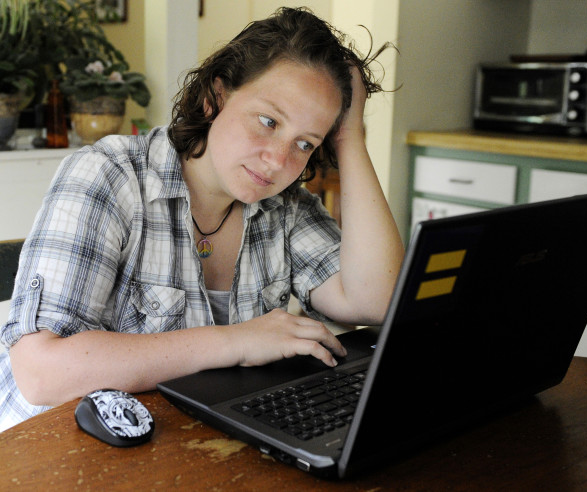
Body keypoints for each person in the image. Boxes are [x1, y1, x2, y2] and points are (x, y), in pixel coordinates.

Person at [0, 7, 404, 431]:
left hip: (176, 444)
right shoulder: (109, 175)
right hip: (46, 450)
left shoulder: (286, 207)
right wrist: (236, 342)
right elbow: (40, 372)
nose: (278, 160)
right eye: (268, 121)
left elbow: (375, 300)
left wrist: (350, 138)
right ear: (216, 97)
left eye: (305, 143)